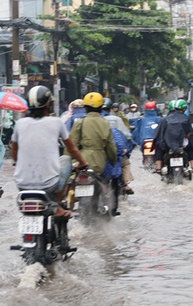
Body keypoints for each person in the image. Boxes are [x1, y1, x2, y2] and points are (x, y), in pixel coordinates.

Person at [11, 86, 88, 218]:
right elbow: (72, 149)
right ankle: (56, 205)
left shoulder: (19, 124)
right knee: (66, 159)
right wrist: (83, 163)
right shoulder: (56, 122)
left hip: (22, 185)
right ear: (48, 105)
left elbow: (14, 154)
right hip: (49, 186)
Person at [67, 92, 117, 180]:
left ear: (85, 108)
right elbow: (111, 148)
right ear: (101, 107)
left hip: (80, 163)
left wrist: (67, 163)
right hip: (99, 164)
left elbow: (71, 146)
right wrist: (114, 161)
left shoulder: (80, 123)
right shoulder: (105, 124)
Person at [152, 99, 193, 173]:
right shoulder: (186, 119)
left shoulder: (165, 119)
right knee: (190, 147)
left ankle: (158, 168)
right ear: (184, 109)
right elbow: (189, 133)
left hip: (167, 144)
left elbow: (160, 133)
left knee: (158, 148)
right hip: (181, 144)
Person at [102, 99, 135, 195]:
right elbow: (126, 136)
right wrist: (127, 150)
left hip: (96, 154)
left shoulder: (86, 120)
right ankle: (125, 184)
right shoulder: (116, 119)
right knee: (125, 163)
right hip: (113, 152)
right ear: (110, 108)